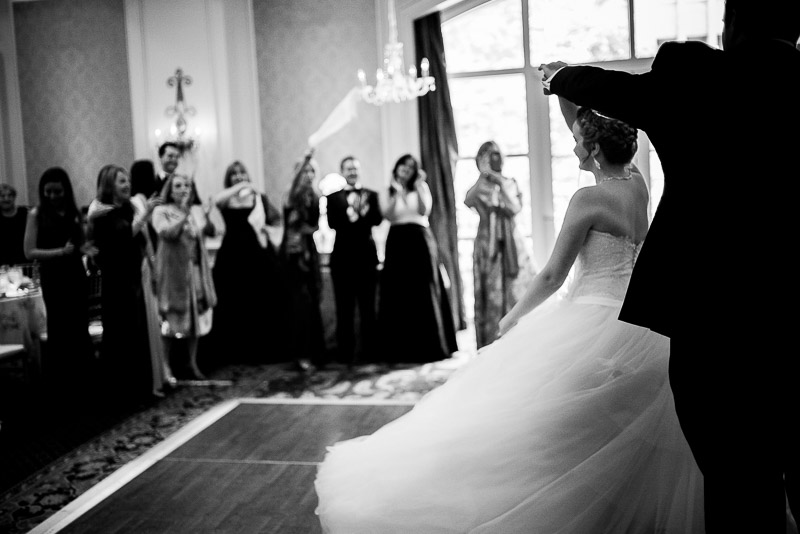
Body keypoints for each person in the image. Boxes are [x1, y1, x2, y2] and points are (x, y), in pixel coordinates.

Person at [315, 102, 704, 533]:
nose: (572, 145)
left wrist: (512, 317)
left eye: (577, 142)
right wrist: (560, 89)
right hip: (636, 324)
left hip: (590, 318)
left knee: (545, 422)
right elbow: (588, 131)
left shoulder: (588, 198)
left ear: (592, 149)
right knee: (613, 422)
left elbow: (554, 273)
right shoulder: (638, 185)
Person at [540, 1, 799, 531]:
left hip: (714, 323)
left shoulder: (697, 79)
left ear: (732, 29)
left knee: (736, 482)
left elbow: (617, 91)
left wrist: (561, 75)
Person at [376, 154, 458, 364]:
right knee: (398, 291)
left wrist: (416, 187)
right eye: (403, 165)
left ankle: (432, 345)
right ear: (397, 167)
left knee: (424, 288)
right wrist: (398, 192)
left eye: (411, 167)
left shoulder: (421, 188)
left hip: (420, 239)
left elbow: (424, 210)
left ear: (414, 171)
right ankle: (400, 349)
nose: (406, 169)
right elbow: (388, 216)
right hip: (397, 241)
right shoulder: (387, 192)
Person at [208, 160, 286, 365]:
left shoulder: (258, 198)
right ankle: (234, 352)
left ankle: (261, 349)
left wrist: (268, 231)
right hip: (232, 255)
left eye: (242, 172)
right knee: (233, 301)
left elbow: (276, 219)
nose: (239, 176)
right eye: (234, 174)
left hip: (256, 255)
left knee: (258, 301)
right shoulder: (227, 199)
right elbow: (217, 201)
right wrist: (241, 186)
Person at [23, 167, 94, 387]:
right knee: (60, 328)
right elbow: (29, 251)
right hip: (54, 277)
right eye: (48, 192)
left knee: (79, 327)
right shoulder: (36, 214)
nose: (52, 196)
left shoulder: (73, 212)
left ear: (66, 191)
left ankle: (83, 378)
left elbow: (80, 244)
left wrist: (87, 248)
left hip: (75, 275)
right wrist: (59, 252)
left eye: (57, 192)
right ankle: (62, 383)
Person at [90, 164, 153, 403]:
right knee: (121, 332)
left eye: (128, 180)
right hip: (116, 280)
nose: (127, 185)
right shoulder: (103, 213)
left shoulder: (127, 209)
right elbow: (124, 236)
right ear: (109, 186)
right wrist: (146, 214)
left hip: (133, 276)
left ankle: (139, 388)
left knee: (136, 330)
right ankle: (121, 392)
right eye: (121, 181)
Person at [464, 141, 534, 348]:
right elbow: (468, 200)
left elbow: (514, 208)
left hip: (512, 241)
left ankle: (517, 336)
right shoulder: (479, 186)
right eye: (488, 156)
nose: (495, 158)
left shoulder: (510, 182)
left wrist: (499, 183)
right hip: (487, 242)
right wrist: (482, 176)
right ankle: (490, 340)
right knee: (490, 288)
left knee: (516, 287)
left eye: (496, 154)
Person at [152, 174, 217, 380]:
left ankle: (191, 363)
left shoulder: (195, 211)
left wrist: (206, 215)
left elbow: (210, 232)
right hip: (172, 272)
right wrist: (184, 215)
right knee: (171, 317)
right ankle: (166, 366)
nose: (183, 189)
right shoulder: (161, 211)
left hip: (194, 269)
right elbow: (166, 234)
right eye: (178, 185)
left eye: (186, 185)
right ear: (170, 190)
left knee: (195, 315)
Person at [325, 156, 383, 363]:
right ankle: (345, 355)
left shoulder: (372, 195)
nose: (352, 172)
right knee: (344, 309)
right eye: (348, 169)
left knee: (368, 309)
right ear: (342, 172)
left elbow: (376, 219)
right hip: (342, 258)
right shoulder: (332, 198)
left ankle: (370, 353)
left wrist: (358, 216)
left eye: (355, 168)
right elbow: (333, 224)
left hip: (366, 257)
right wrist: (355, 217)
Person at [129, 159, 175, 395]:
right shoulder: (138, 201)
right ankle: (160, 372)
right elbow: (144, 236)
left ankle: (164, 371)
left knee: (159, 316)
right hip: (148, 261)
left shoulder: (146, 200)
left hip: (154, 258)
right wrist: (153, 261)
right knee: (154, 316)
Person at [280, 153, 326, 370]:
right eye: (305, 171)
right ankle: (300, 354)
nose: (309, 175)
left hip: (310, 251)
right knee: (300, 304)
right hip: (293, 254)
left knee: (313, 300)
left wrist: (308, 230)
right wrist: (305, 159)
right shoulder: (290, 197)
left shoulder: (316, 197)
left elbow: (315, 226)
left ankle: (316, 353)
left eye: (312, 171)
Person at [0, 184, 29, 267]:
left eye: (10, 195)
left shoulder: (24, 213)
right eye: (2, 196)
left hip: (23, 261)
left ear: (14, 197)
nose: (7, 199)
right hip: (3, 262)